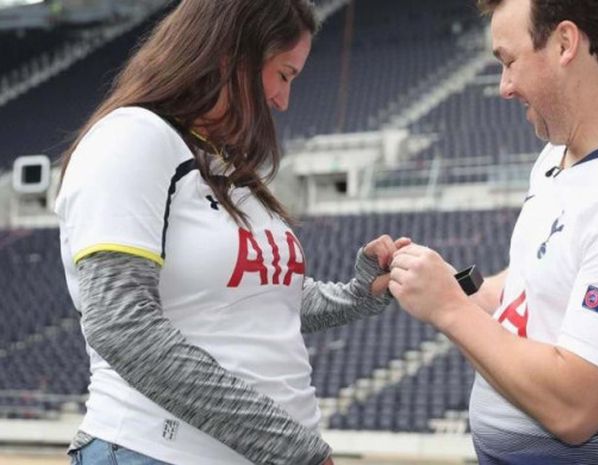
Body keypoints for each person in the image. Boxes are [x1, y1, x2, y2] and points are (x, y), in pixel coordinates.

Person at [55, 1, 409, 464]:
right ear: (232, 56)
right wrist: (289, 447)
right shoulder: (131, 138)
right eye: (284, 74)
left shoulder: (226, 168)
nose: (284, 100)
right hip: (156, 451)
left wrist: (358, 294)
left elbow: (257, 306)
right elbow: (121, 323)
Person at [388, 0, 598, 463]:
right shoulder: (561, 151)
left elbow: (576, 408)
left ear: (565, 44)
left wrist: (449, 309)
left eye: (509, 61)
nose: (505, 87)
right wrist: (451, 285)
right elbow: (535, 283)